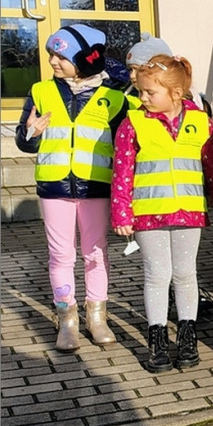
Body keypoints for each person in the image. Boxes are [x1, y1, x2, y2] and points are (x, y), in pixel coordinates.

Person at [15, 25, 129, 351]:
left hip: (96, 186)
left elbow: (127, 146)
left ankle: (97, 317)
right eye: (51, 54)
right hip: (54, 187)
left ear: (85, 59)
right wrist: (30, 134)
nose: (52, 60)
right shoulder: (40, 91)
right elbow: (23, 143)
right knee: (61, 254)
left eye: (61, 55)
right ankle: (67, 320)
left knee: (95, 253)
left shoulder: (115, 99)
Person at [111, 54, 213, 372]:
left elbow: (211, 164)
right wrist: (122, 213)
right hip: (148, 213)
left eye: (150, 92)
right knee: (157, 276)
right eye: (141, 92)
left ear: (175, 93)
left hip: (189, 211)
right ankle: (157, 339)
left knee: (186, 274)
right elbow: (122, 171)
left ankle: (187, 336)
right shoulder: (133, 123)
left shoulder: (201, 121)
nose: (143, 98)